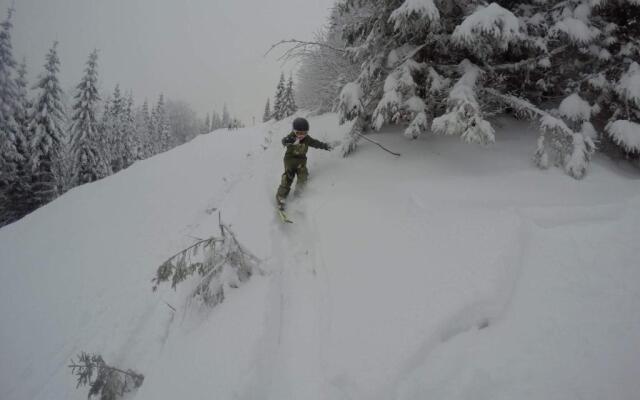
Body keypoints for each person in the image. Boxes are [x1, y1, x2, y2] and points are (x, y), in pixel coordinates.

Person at [276, 117, 331, 209]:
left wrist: (325, 146)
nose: (301, 135)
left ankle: (299, 192)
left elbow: (315, 143)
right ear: (294, 131)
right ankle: (281, 197)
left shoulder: (307, 139)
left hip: (301, 161)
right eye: (298, 133)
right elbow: (284, 141)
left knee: (303, 174)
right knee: (288, 177)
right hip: (289, 161)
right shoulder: (291, 137)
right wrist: (286, 141)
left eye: (304, 133)